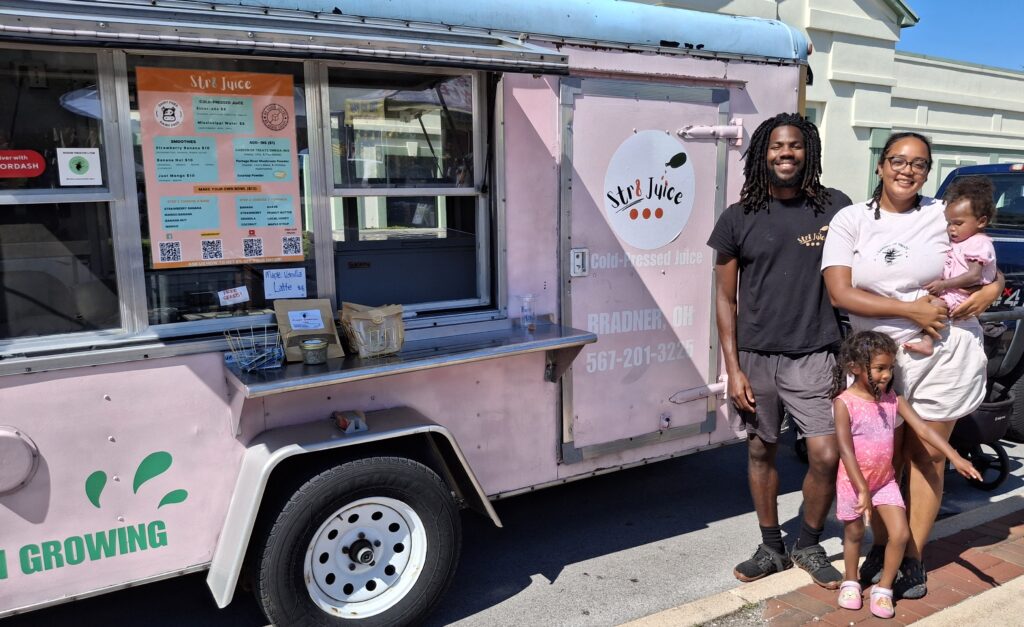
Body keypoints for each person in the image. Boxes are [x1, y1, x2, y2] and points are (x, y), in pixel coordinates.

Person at [821, 131, 1004, 599]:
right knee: (882, 457)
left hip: (943, 347)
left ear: (928, 173)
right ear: (880, 165)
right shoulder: (851, 220)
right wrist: (909, 311)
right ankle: (885, 547)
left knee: (928, 455)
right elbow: (840, 292)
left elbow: (980, 253)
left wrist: (991, 286)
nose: (907, 170)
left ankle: (911, 557)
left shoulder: (938, 215)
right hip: (876, 356)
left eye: (919, 164)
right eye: (898, 160)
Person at [708, 112, 852, 589]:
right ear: (762, 154)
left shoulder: (836, 208)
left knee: (825, 454)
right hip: (757, 356)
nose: (785, 154)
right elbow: (725, 299)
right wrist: (733, 368)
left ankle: (808, 543)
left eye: (794, 146)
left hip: (816, 352)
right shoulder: (737, 217)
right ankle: (772, 546)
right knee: (760, 449)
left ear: (808, 151)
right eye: (775, 146)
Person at [830, 331, 980, 619]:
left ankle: (884, 588)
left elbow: (923, 429)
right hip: (853, 482)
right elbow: (845, 451)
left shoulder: (892, 399)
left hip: (884, 481)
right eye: (879, 368)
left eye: (890, 368)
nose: (886, 375)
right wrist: (861, 487)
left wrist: (955, 456)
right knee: (854, 533)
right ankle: (851, 581)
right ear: (855, 367)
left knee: (899, 534)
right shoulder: (844, 403)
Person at [903, 176, 998, 356]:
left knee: (933, 307)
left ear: (981, 221)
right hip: (955, 292)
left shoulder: (978, 243)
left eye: (958, 224)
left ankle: (927, 341)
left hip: (962, 296)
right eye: (949, 223)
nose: (951, 229)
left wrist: (943, 284)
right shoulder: (964, 240)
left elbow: (974, 276)